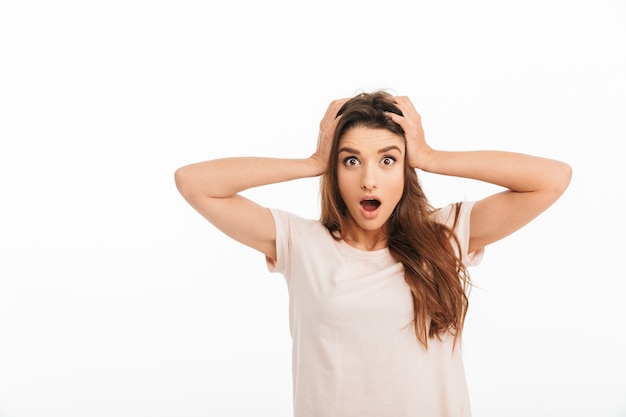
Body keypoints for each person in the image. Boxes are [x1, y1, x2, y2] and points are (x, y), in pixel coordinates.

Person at [174, 91, 572, 417]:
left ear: (405, 170)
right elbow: (193, 183)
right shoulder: (300, 243)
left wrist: (431, 157)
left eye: (387, 160)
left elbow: (552, 179)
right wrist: (313, 162)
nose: (368, 180)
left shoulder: (446, 235)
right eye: (350, 161)